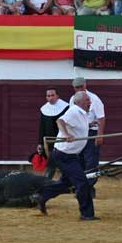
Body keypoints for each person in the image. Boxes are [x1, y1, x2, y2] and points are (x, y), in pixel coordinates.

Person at [35, 91, 99, 220]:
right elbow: (60, 121)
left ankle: (41, 196)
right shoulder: (74, 111)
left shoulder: (82, 113)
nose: (90, 102)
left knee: (66, 182)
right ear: (80, 102)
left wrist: (89, 125)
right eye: (87, 100)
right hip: (64, 155)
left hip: (71, 155)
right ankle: (87, 214)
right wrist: (66, 135)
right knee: (82, 182)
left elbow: (76, 126)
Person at [69, 77, 106, 195]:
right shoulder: (72, 99)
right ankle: (81, 185)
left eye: (81, 86)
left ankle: (89, 187)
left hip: (91, 133)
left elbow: (101, 118)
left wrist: (100, 135)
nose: (80, 89)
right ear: (73, 88)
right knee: (79, 160)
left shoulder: (94, 99)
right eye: (77, 87)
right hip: (79, 133)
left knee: (91, 161)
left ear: (85, 85)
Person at [38, 86, 69, 179]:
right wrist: (40, 143)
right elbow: (42, 127)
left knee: (65, 163)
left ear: (57, 96)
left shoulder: (66, 107)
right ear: (46, 97)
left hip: (62, 140)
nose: (50, 98)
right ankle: (47, 182)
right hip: (50, 141)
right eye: (48, 96)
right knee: (51, 164)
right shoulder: (44, 109)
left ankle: (68, 182)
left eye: (52, 95)